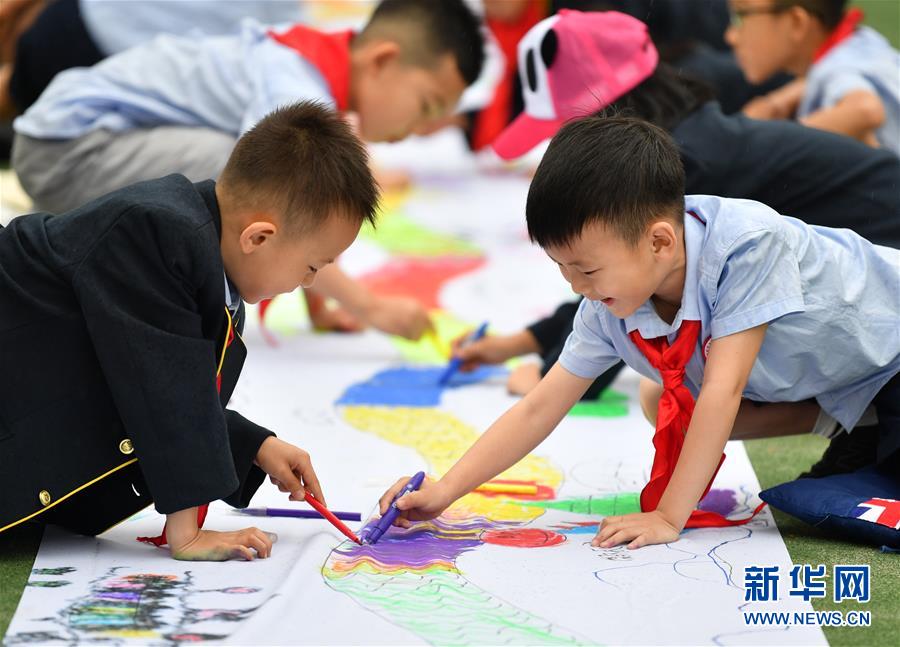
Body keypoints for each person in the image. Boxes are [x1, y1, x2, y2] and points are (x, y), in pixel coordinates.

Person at [378, 116, 900, 550]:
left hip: (893, 352)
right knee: (660, 398)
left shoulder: (747, 246)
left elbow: (723, 392)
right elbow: (539, 407)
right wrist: (446, 490)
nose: (576, 287)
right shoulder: (608, 303)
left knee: (867, 495)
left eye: (586, 269)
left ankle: (871, 428)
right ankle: (858, 424)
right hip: (851, 377)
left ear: (660, 242)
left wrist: (670, 516)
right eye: (563, 269)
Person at [453, 10, 900, 399]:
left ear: (607, 114)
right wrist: (520, 343)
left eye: (566, 131)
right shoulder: (688, 136)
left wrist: (548, 375)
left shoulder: (680, 167)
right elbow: (608, 289)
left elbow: (625, 290)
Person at [0, 101, 378, 561]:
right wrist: (188, 534)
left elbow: (142, 380)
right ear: (258, 238)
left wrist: (254, 445)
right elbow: (162, 388)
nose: (309, 282)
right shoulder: (159, 232)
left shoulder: (207, 258)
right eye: (312, 266)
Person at [11, 0, 486, 338]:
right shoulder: (297, 83)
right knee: (245, 174)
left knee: (264, 174)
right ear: (383, 60)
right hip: (68, 150)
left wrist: (318, 301)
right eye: (426, 105)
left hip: (70, 141)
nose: (421, 128)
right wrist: (371, 306)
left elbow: (307, 218)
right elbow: (290, 204)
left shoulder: (307, 58)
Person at [726, 0, 900, 153]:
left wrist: (767, 140)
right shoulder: (861, 41)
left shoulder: (835, 71)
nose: (730, 36)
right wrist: (777, 102)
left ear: (796, 22)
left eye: (741, 17)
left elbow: (865, 110)